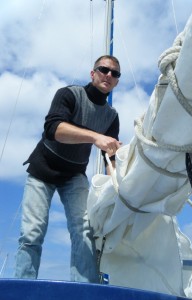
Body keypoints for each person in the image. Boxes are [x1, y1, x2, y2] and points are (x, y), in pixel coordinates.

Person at [14, 55, 122, 283]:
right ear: (93, 74)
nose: (109, 75)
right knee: (32, 232)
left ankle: (85, 290)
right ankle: (23, 287)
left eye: (115, 73)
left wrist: (119, 187)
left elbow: (109, 157)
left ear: (117, 82)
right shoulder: (69, 94)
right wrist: (96, 137)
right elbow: (53, 129)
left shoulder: (111, 117)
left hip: (74, 175)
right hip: (42, 169)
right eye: (104, 70)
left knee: (84, 231)